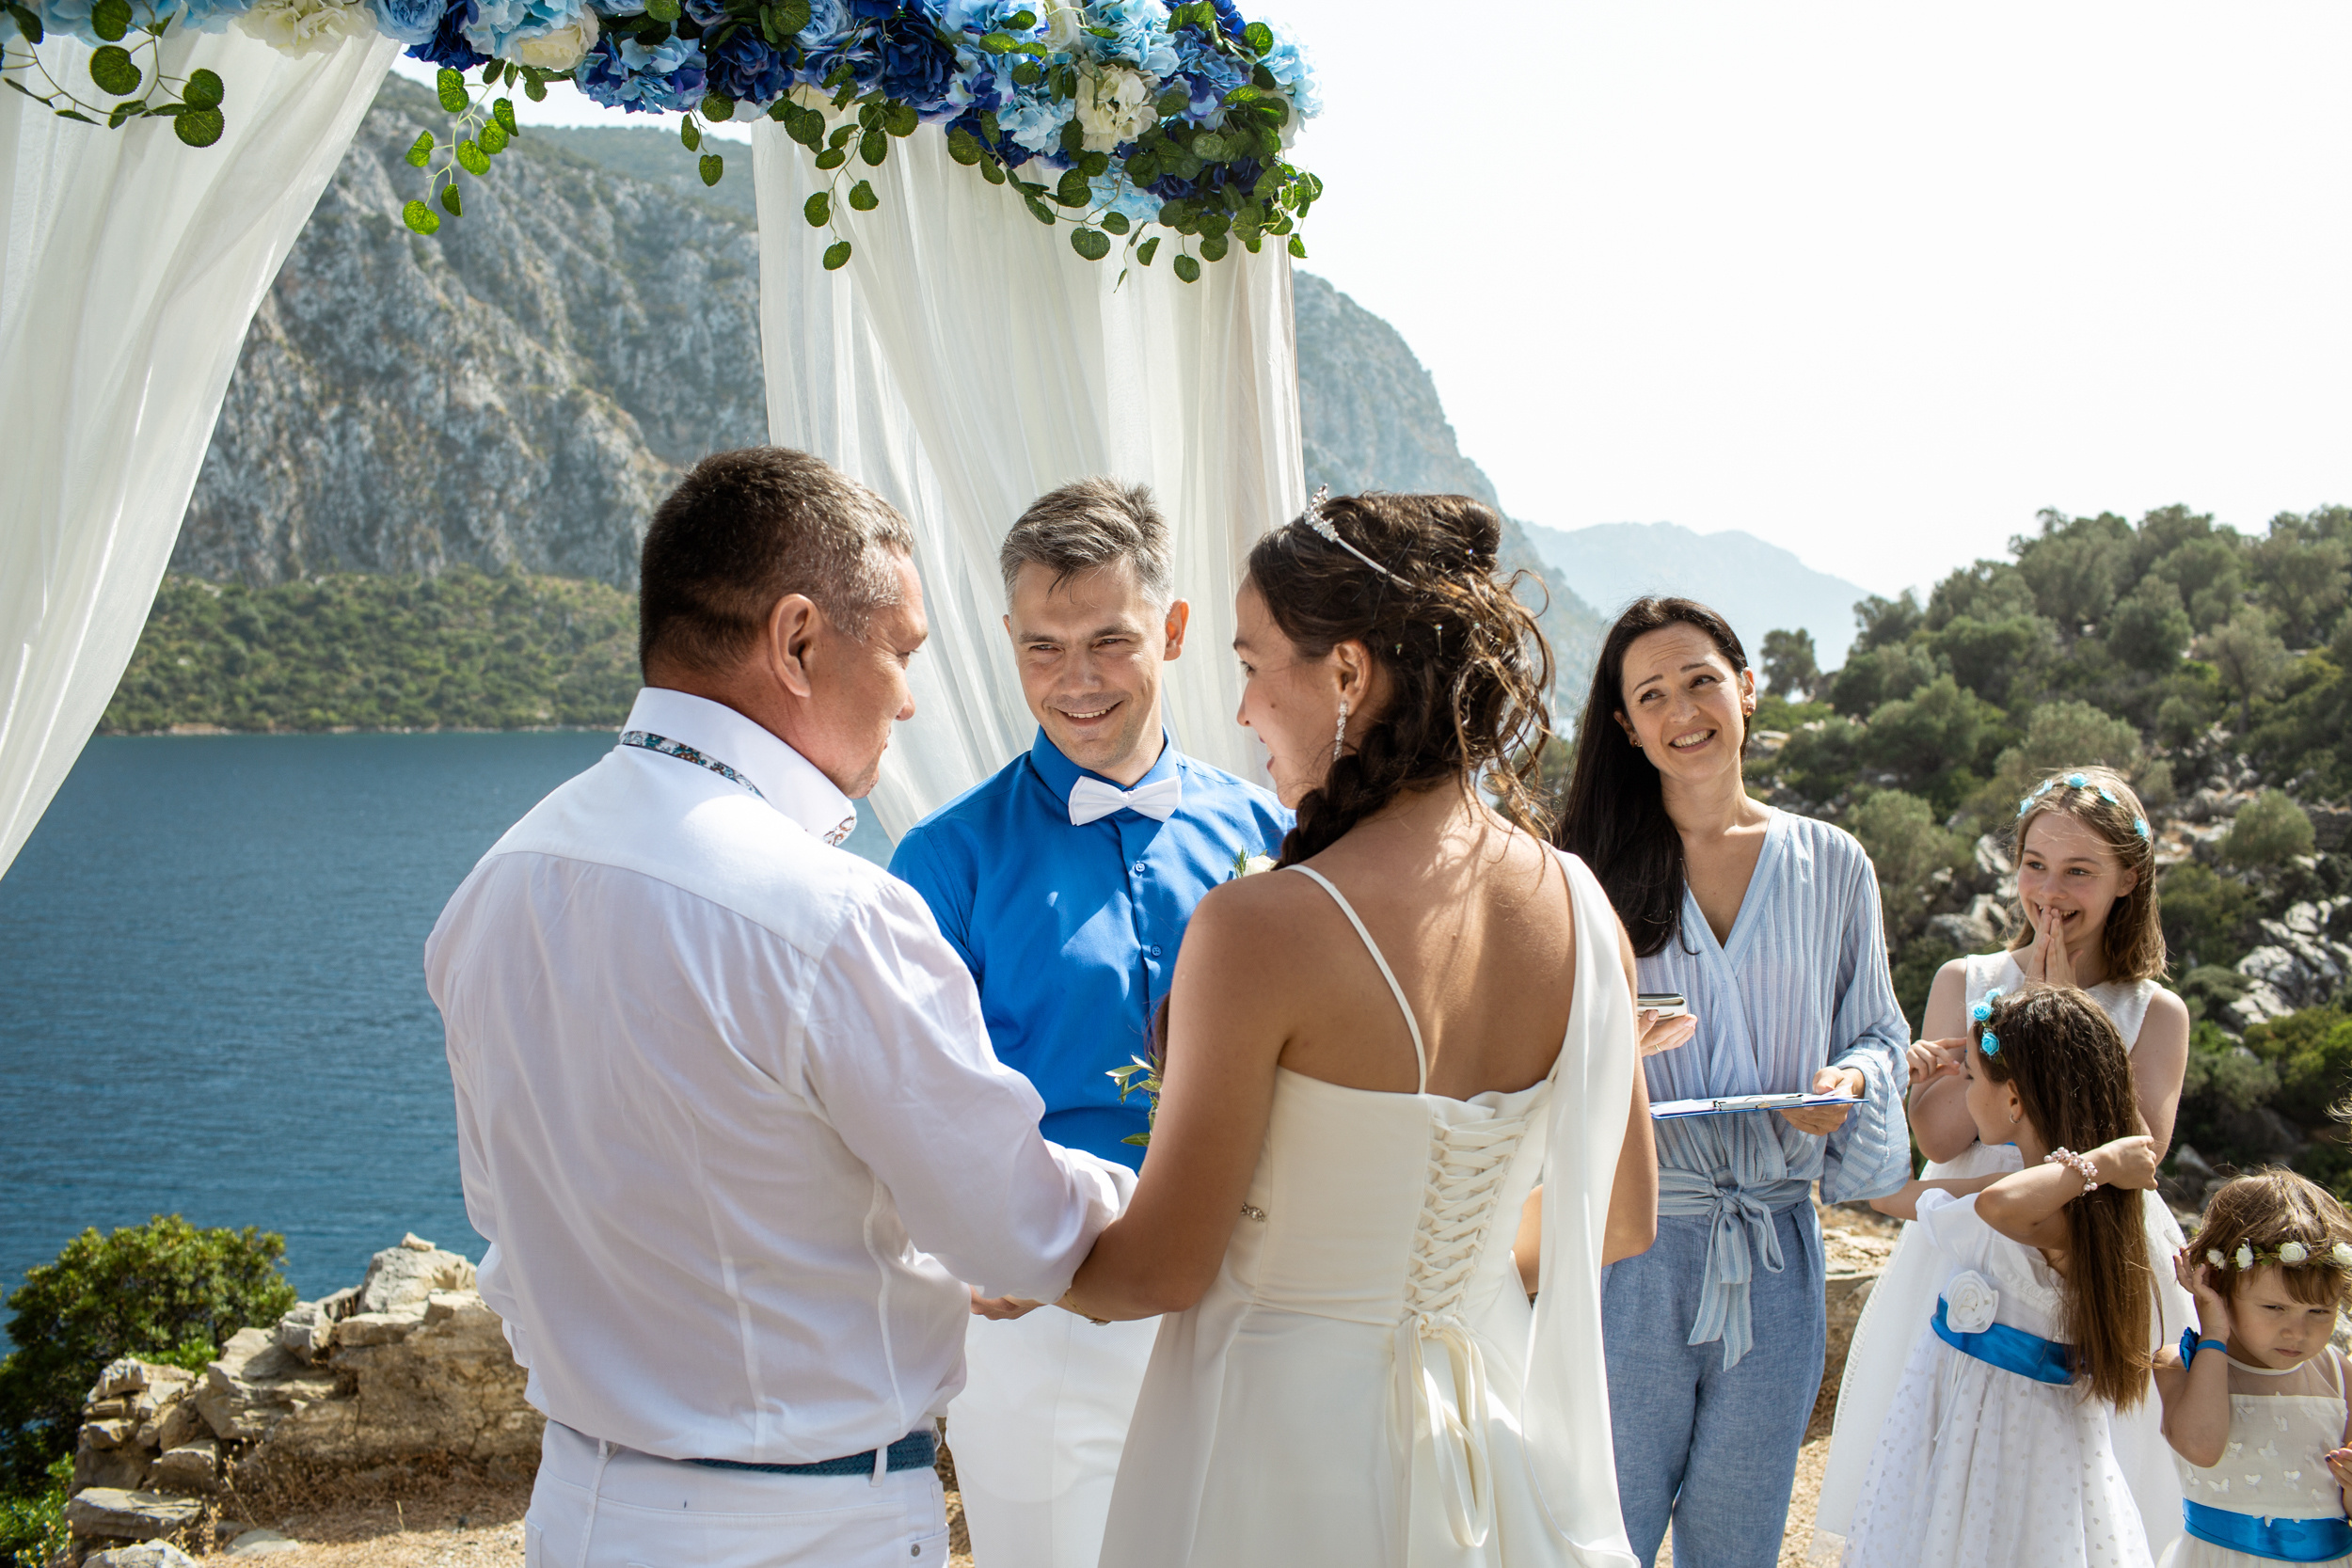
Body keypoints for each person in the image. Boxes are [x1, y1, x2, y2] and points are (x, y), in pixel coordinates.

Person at [423, 448, 1133, 1568]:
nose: (908, 694)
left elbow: (504, 1221)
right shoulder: (831, 916)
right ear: (798, 640)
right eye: (901, 650)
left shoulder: (494, 886)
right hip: (803, 1526)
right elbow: (1016, 1228)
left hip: (578, 1510)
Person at [1057, 489, 1654, 1566]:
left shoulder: (1261, 927)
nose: (1240, 709)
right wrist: (1441, 1278)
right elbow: (1617, 1219)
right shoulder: (1582, 908)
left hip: (1274, 1447)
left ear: (1346, 673)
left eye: (1248, 663)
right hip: (1488, 1431)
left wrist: (1015, 1256)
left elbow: (1160, 1269)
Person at [887, 478, 1288, 1568]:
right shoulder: (940, 862)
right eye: (1041, 647)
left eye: (1108, 640)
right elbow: (910, 1102)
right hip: (1045, 1314)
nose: (1075, 681)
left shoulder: (1280, 835)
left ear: (1171, 628)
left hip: (1250, 1293)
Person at [1551, 595, 1913, 1568]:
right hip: (1632, 1242)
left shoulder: (1832, 861)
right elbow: (1535, 1049)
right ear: (1625, 726)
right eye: (1652, 694)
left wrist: (1850, 1078)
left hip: (1778, 1243)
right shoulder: (1580, 871)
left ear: (1746, 689)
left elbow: (1878, 1027)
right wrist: (1607, 1045)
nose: (1684, 710)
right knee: (1605, 1527)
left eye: (1702, 679)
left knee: (1740, 1533)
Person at [1820, 765, 2195, 1557]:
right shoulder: (1969, 979)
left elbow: (2139, 1155)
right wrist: (1969, 1055)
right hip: (1968, 1252)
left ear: (2128, 878)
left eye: (2079, 870)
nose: (2049, 890)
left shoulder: (2156, 1011)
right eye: (2034, 864)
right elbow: (1944, 1141)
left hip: (2094, 1255)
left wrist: (2069, 1023)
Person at [1841, 984, 2164, 1568]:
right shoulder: (2024, 1186)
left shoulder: (2069, 1208)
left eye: (1970, 1081)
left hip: (2021, 1429)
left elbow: (1998, 1209)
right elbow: (1890, 1197)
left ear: (2013, 1098)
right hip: (1957, 1407)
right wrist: (1898, 1087)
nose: (1964, 1096)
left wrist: (2103, 1163)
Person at [2154, 1170, 2352, 1567]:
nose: (2297, 1331)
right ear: (2219, 1284)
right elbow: (2202, 1448)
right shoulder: (2182, 1362)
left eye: (2319, 1311)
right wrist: (2213, 1331)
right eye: (2274, 1308)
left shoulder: (2338, 1372)